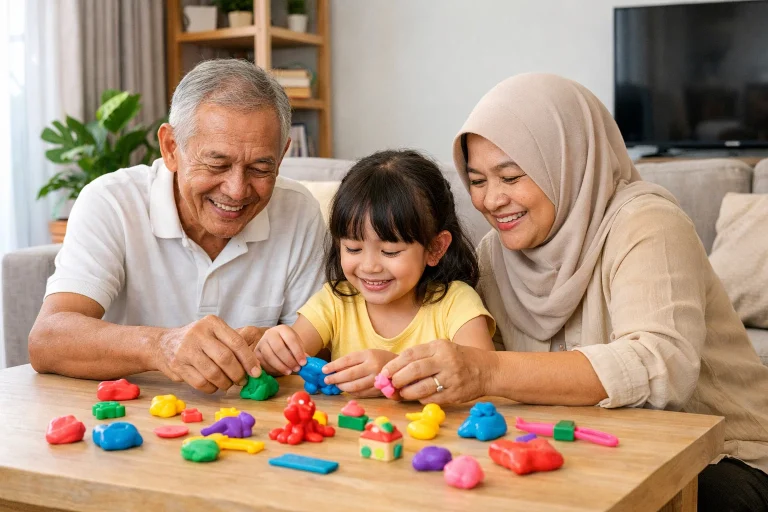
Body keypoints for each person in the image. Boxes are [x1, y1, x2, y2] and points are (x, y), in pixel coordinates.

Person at [381, 74, 768, 510]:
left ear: (565, 162)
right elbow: (474, 360)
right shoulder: (495, 253)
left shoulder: (648, 223)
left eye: (510, 176)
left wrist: (486, 371)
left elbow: (661, 365)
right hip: (600, 450)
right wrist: (402, 368)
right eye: (477, 180)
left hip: (724, 457)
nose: (491, 201)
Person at [28, 59, 327, 394]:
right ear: (171, 148)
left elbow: (329, 342)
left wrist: (281, 347)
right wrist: (160, 345)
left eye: (260, 168)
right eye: (218, 163)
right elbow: (47, 340)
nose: (236, 189)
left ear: (282, 155)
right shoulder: (112, 201)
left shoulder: (299, 210)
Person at [254, 150, 495, 396]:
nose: (369, 266)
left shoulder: (457, 303)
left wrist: (393, 372)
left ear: (435, 248)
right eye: (353, 248)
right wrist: (275, 352)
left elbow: (482, 376)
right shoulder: (335, 302)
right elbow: (288, 359)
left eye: (390, 252)